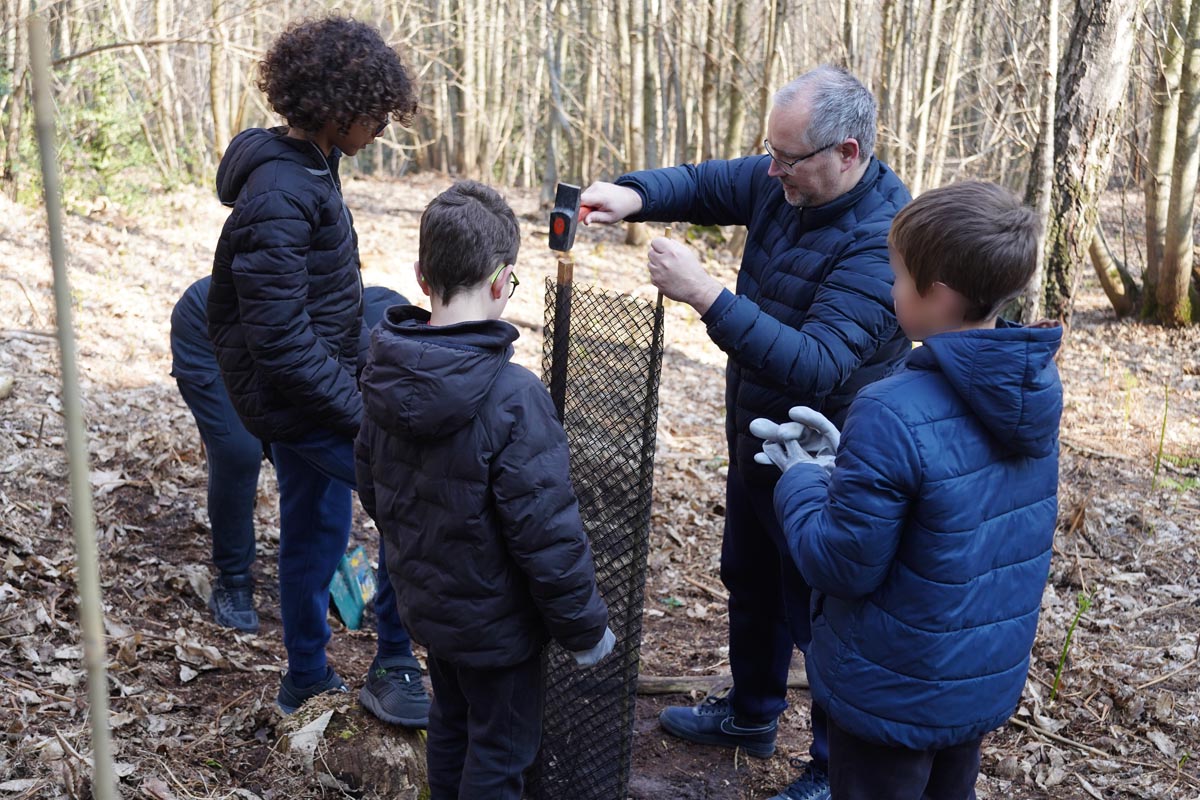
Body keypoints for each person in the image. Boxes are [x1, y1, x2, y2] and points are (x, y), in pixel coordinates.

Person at [581, 65, 910, 798]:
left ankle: (832, 769)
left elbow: (819, 364)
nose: (771, 169)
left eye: (787, 158)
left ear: (847, 153)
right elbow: (705, 183)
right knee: (751, 579)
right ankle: (751, 714)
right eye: (771, 152)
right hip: (759, 438)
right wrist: (632, 194)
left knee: (821, 611)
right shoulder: (784, 181)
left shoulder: (883, 238)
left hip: (828, 459)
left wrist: (705, 294)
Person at [759, 181, 1062, 800]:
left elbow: (841, 563)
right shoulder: (1030, 389)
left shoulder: (889, 406)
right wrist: (849, 467)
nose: (890, 288)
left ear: (939, 295)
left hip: (892, 688)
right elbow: (951, 503)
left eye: (897, 276)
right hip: (974, 679)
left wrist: (802, 480)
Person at [354, 181, 614, 800]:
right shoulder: (513, 396)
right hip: (500, 630)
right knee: (500, 751)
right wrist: (584, 629)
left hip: (432, 610)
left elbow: (372, 485)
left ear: (422, 276)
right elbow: (547, 533)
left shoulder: (385, 373)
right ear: (502, 282)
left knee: (451, 722)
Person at [206, 15, 427, 721]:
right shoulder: (280, 192)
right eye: (375, 115)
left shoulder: (310, 167)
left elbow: (324, 303)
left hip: (315, 384)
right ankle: (395, 660)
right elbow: (279, 340)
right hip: (295, 398)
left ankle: (305, 673)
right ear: (337, 108)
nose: (382, 129)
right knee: (412, 491)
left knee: (316, 525)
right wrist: (362, 415)